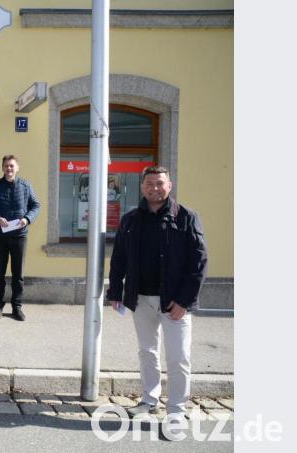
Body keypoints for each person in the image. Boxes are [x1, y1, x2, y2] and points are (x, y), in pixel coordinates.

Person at [107, 166, 207, 422]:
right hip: (140, 298)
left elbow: (198, 262)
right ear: (142, 187)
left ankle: (176, 409)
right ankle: (149, 400)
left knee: (179, 357)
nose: (154, 188)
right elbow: (119, 258)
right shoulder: (131, 219)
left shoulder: (186, 217)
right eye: (150, 183)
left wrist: (184, 300)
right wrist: (116, 290)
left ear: (169, 185)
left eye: (159, 183)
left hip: (174, 302)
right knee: (147, 352)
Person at [0, 155, 40, 321]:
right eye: (6, 166)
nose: (9, 169)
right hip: (0, 237)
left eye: (12, 166)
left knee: (18, 274)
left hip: (20, 236)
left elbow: (36, 205)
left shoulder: (26, 186)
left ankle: (17, 306)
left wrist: (27, 219)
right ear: (3, 168)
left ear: (17, 168)